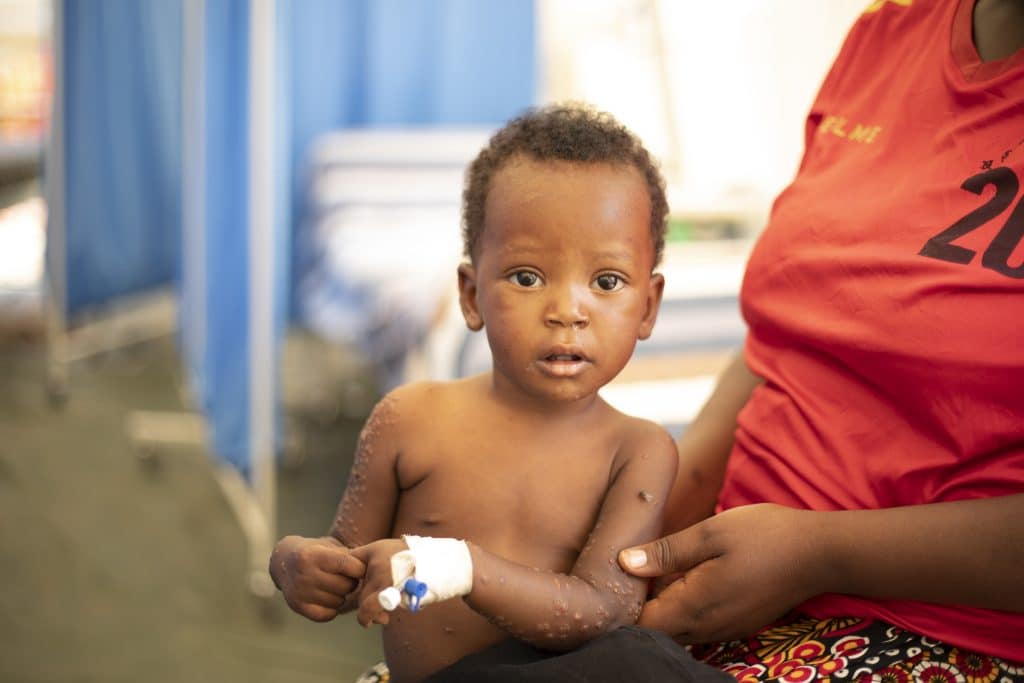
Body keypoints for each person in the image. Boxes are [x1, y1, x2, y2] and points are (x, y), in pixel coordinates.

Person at [606, 0, 1024, 680]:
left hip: (935, 632)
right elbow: (779, 339)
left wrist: (817, 553)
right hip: (735, 584)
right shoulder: (884, 37)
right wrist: (652, 504)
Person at [269, 105, 732, 683]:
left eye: (606, 282)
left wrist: (459, 568)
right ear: (470, 295)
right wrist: (296, 563)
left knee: (643, 661)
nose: (568, 311)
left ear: (648, 307)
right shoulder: (410, 418)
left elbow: (604, 611)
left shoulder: (638, 451)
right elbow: (348, 564)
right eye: (527, 277)